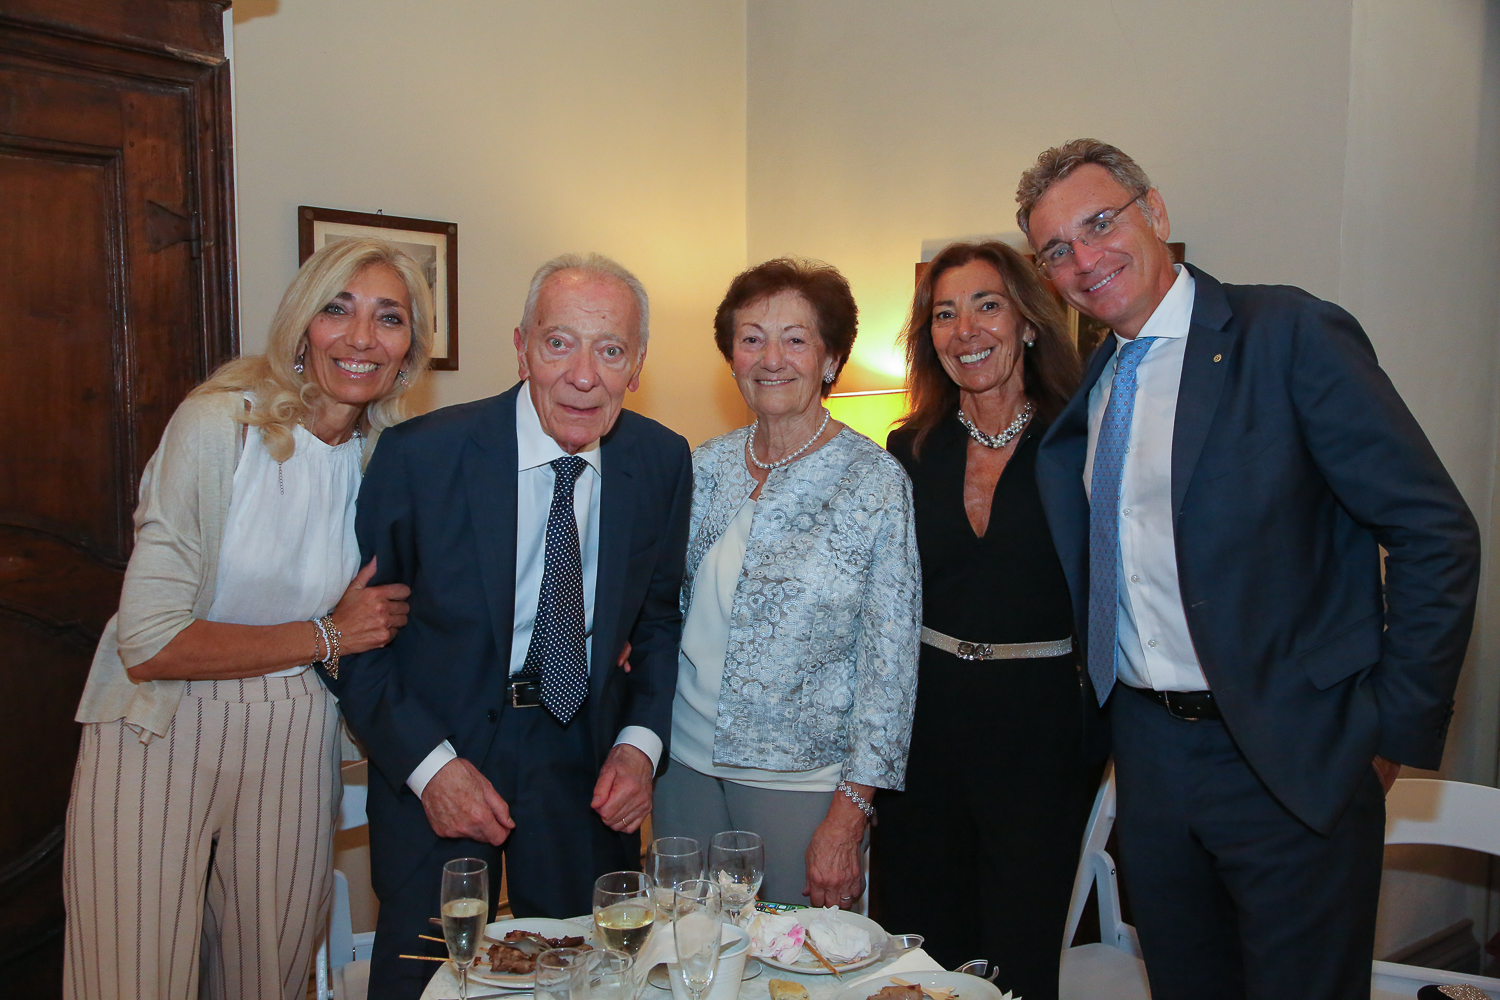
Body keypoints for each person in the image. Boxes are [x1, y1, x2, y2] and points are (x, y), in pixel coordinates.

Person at [1019, 138, 1481, 999]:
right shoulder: (1097, 387)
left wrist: (1389, 731)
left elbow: (1434, 530)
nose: (1084, 260)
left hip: (1289, 758)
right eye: (1056, 250)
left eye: (1100, 223)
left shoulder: (1289, 335)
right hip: (1151, 761)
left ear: (1155, 212)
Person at [63, 237, 429, 1000]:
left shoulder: (385, 461)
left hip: (295, 727)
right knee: (132, 976)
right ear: (302, 326)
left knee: (271, 973)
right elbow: (149, 642)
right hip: (159, 723)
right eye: (338, 309)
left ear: (409, 350)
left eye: (389, 318)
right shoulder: (219, 426)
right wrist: (327, 635)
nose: (362, 337)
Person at [325, 253, 692, 1000]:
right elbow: (359, 643)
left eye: (610, 350)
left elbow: (657, 623)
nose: (583, 376)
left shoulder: (659, 460)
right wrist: (431, 769)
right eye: (559, 343)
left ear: (637, 365)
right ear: (521, 348)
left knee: (588, 980)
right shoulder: (421, 456)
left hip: (583, 765)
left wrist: (639, 747)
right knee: (423, 979)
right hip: (441, 748)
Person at [652, 258, 921, 910]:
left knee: (795, 956)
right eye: (752, 338)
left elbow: (890, 666)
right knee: (687, 943)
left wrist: (851, 812)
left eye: (795, 339)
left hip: (803, 783)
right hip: (682, 767)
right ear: (732, 357)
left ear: (830, 359)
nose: (771, 358)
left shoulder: (874, 481)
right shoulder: (704, 466)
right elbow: (664, 609)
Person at [873, 241, 1093, 996]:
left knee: (1020, 944)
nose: (965, 330)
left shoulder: (1082, 439)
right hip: (926, 724)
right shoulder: (910, 448)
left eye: (986, 305)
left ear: (1028, 322)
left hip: (1042, 726)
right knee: (919, 942)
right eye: (944, 314)